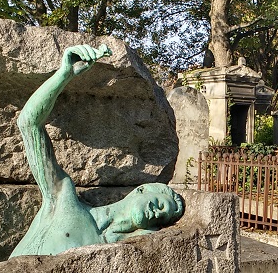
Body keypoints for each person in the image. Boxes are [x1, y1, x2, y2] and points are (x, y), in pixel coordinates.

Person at [10, 44, 184, 258]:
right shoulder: (63, 199)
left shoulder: (119, 246)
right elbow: (28, 124)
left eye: (160, 218)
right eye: (158, 204)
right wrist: (64, 74)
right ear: (140, 190)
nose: (155, 214)